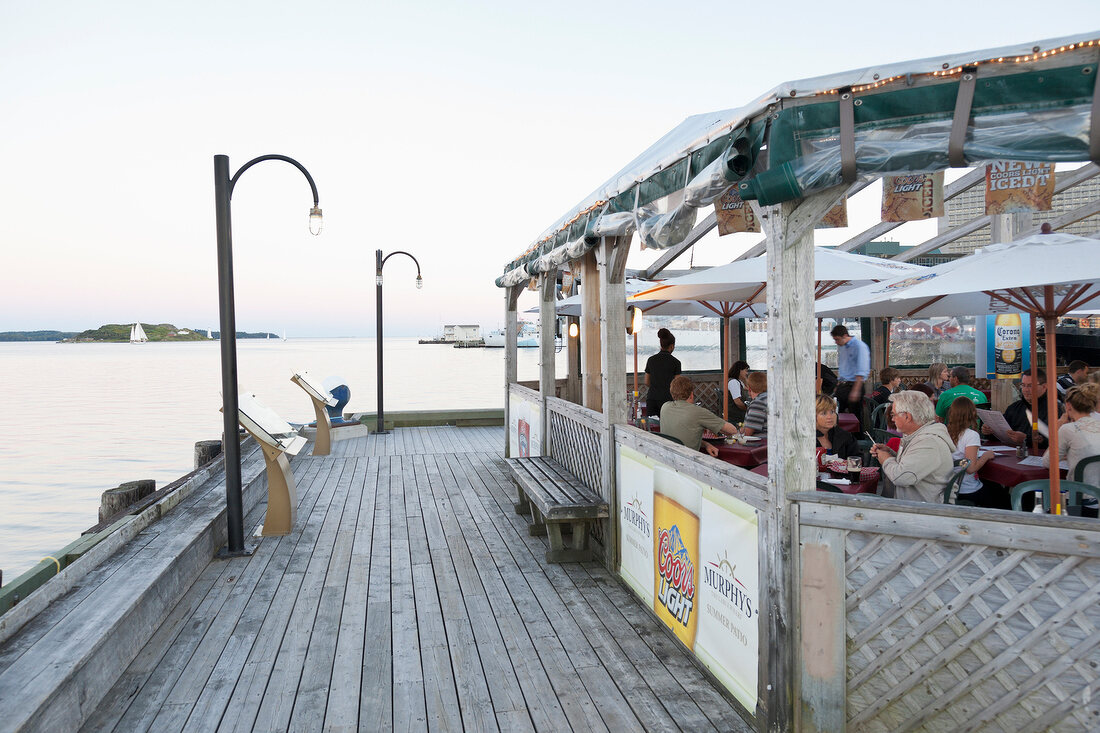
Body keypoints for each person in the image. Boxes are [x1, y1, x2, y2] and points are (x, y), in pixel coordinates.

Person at [869, 390, 955, 503]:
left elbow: (901, 477)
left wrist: (886, 459)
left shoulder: (928, 443)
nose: (892, 419)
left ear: (907, 417)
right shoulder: (920, 436)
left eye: (893, 414)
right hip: (916, 505)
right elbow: (914, 464)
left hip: (925, 511)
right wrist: (890, 453)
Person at [1043, 384, 1100, 517]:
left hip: (1080, 502)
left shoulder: (1068, 429)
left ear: (1068, 406)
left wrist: (1058, 426)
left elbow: (1047, 462)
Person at [660, 375, 739, 456]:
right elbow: (733, 430)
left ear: (672, 393)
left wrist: (706, 444)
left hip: (666, 457)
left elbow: (680, 438)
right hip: (687, 460)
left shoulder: (665, 407)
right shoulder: (697, 412)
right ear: (691, 394)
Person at [988, 368, 1063, 450]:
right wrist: (990, 432)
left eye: (1030, 386)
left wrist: (1026, 439)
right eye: (1023, 385)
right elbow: (1002, 434)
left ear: (1044, 386)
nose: (1026, 390)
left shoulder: (1055, 410)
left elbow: (1056, 441)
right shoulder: (1014, 408)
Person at [945, 396, 999, 507]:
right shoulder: (971, 435)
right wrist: (986, 456)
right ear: (972, 414)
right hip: (968, 489)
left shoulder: (945, 431)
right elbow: (970, 468)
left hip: (949, 489)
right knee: (1000, 496)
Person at [831, 324, 870, 428]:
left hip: (854, 385)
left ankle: (858, 441)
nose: (836, 342)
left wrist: (856, 390)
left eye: (837, 339)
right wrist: (838, 385)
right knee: (837, 415)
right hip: (843, 386)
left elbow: (861, 370)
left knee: (855, 418)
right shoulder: (843, 347)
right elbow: (844, 368)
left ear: (845, 336)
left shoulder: (859, 346)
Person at [644, 328, 681, 421]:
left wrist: (656, 387)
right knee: (668, 428)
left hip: (652, 399)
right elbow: (677, 385)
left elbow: (646, 382)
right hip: (668, 400)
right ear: (672, 346)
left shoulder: (651, 360)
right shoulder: (676, 362)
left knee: (652, 428)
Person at [815, 394, 859, 459]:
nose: (830, 417)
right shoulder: (805, 440)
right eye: (824, 413)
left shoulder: (845, 436)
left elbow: (857, 458)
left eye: (832, 412)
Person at [741, 372, 769, 437]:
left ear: (749, 388)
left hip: (761, 444)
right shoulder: (770, 398)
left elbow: (747, 433)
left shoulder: (758, 403)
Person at [726, 360, 751, 425]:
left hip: (737, 414)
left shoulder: (738, 381)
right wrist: (747, 410)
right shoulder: (733, 382)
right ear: (740, 370)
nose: (747, 373)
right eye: (746, 370)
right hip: (735, 416)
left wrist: (745, 378)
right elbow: (738, 402)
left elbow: (749, 390)